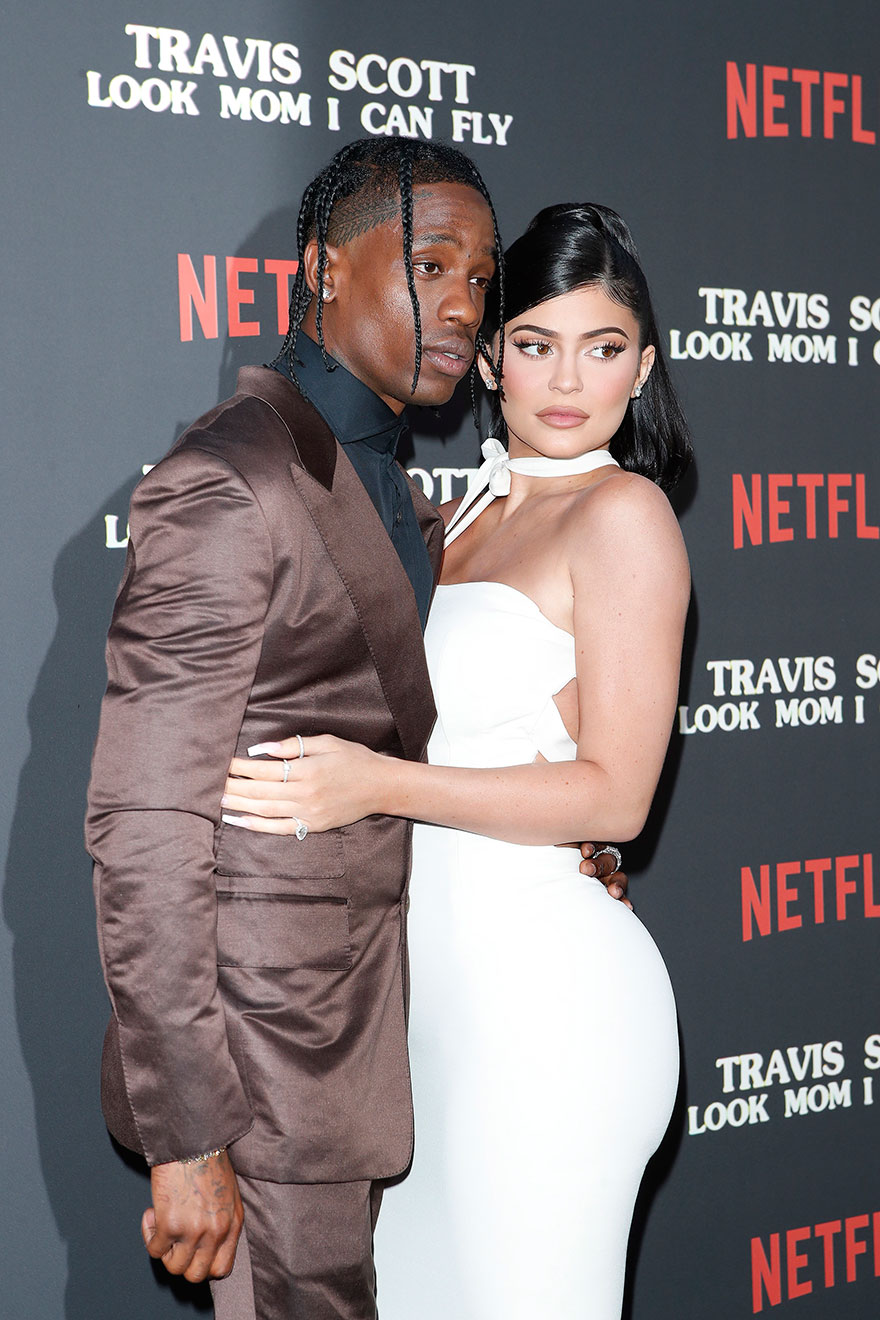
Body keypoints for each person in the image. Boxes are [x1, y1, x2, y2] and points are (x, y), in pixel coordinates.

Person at [85, 141, 624, 1320]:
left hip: (379, 1049)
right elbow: (143, 825)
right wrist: (187, 1131)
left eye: (478, 279)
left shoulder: (408, 495)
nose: (461, 307)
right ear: (326, 269)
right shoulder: (231, 481)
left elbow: (403, 727)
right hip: (258, 1074)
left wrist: (556, 837)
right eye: (428, 266)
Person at [219, 201, 692, 1319]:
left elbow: (616, 797)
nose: (566, 380)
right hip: (417, 1007)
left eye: (603, 347)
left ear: (642, 369)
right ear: (488, 359)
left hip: (545, 1011)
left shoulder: (624, 517)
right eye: (534, 343)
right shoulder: (451, 515)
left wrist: (375, 786)